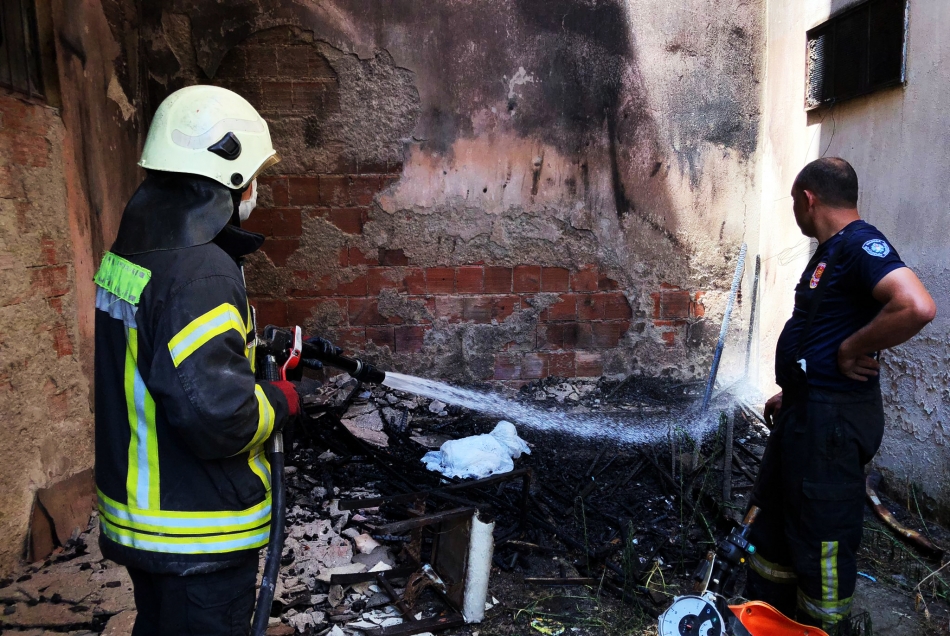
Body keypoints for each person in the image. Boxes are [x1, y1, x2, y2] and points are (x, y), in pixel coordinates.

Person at [93, 85, 322, 635]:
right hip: (197, 528)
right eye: (254, 176)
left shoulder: (131, 253)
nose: (256, 190)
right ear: (230, 173)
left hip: (145, 518)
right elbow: (221, 418)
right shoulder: (200, 272)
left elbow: (163, 359)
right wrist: (280, 400)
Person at [744, 157, 936, 633]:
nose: (795, 210)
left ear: (807, 199)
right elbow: (825, 328)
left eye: (794, 202)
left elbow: (916, 305)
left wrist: (853, 348)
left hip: (831, 426)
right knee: (777, 521)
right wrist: (796, 391)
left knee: (823, 534)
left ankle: (821, 627)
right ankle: (772, 619)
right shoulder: (833, 251)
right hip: (807, 413)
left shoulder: (860, 245)